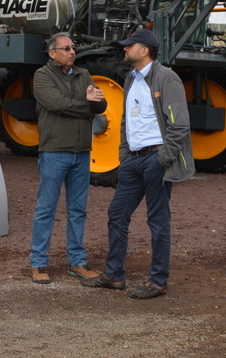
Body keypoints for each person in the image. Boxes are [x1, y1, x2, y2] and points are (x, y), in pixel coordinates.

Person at [83, 28, 194, 299]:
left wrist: (162, 159)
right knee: (117, 214)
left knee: (158, 221)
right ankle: (114, 275)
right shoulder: (131, 78)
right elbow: (126, 120)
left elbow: (179, 125)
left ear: (144, 50)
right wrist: (124, 155)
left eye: (129, 45)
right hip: (132, 160)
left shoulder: (167, 78)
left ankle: (158, 281)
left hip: (155, 159)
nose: (125, 49)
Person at [28, 32, 107, 284]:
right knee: (46, 209)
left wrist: (93, 104)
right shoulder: (42, 76)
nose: (72, 52)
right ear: (52, 53)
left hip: (81, 153)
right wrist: (86, 104)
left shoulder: (84, 74)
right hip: (54, 152)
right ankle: (38, 263)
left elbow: (101, 106)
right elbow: (56, 104)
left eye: (73, 48)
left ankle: (77, 262)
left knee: (78, 210)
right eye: (66, 48)